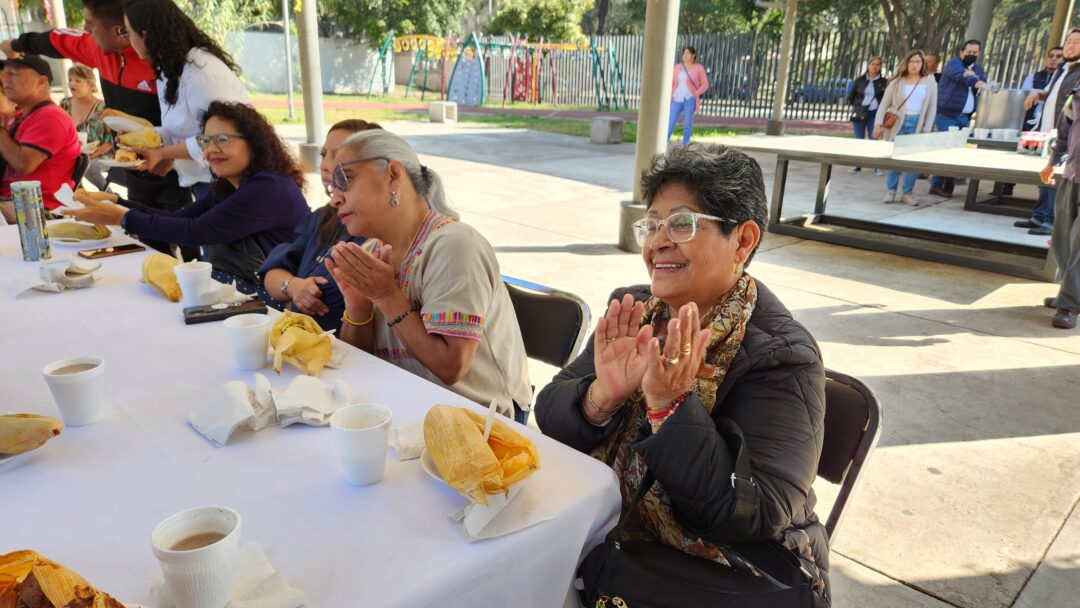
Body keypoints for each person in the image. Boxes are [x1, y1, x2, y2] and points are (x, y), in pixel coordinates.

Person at [535, 143, 829, 605]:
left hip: (723, 572)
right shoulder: (636, 309)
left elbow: (754, 512)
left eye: (682, 224)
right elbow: (550, 414)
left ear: (743, 240)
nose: (657, 242)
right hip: (615, 538)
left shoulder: (782, 355)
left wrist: (671, 409)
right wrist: (601, 398)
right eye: (651, 225)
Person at [325, 129, 532, 423]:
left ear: (394, 175)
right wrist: (358, 307)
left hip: (482, 421)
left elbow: (451, 367)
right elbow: (359, 365)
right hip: (410, 408)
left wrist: (386, 297)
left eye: (345, 180)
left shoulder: (454, 244)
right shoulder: (372, 250)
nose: (335, 199)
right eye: (331, 188)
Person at [60, 101, 309, 290]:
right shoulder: (231, 186)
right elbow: (177, 218)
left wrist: (122, 218)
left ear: (254, 144)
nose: (211, 150)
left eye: (222, 139)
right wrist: (117, 202)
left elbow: (194, 231)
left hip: (272, 303)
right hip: (235, 292)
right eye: (206, 141)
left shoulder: (267, 189)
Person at [0, 0, 190, 213]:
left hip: (182, 168)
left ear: (120, 30)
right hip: (133, 167)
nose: (85, 30)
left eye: (90, 24)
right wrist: (16, 45)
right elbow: (55, 40)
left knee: (191, 232)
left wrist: (170, 155)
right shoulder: (97, 48)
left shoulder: (169, 60)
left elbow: (195, 118)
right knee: (144, 233)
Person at [258, 119, 381, 333]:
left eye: (340, 155)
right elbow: (272, 273)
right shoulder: (325, 216)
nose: (325, 165)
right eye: (324, 154)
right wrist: (293, 286)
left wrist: (291, 302)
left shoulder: (378, 238)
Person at [121, 0, 249, 200]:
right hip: (206, 181)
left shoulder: (201, 73)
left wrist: (164, 154)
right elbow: (179, 128)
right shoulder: (170, 68)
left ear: (144, 35)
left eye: (127, 32)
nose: (127, 40)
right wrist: (140, 140)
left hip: (229, 183)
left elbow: (222, 138)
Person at [0, 55, 80, 221]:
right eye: (3, 74)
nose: (4, 79)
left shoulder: (50, 117)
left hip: (35, 209)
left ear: (41, 81)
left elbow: (24, 164)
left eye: (13, 74)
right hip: (14, 203)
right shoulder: (23, 115)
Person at [1019, 33, 1080, 236]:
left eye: (1076, 43)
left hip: (1066, 134)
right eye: (1068, 42)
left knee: (1056, 175)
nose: (1070, 46)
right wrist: (1037, 94)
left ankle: (1051, 220)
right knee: (1045, 172)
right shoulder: (1062, 68)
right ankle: (1039, 215)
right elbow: (1048, 92)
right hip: (1048, 129)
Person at [1039, 58, 1080, 330]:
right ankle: (1070, 290)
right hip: (1073, 174)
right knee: (1063, 236)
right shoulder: (1078, 90)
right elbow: (1065, 128)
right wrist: (1053, 160)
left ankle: (1070, 304)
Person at [874, 49, 937, 205]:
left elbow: (932, 107)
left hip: (917, 124)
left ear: (923, 64)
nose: (914, 65)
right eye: (911, 61)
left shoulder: (930, 81)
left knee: (912, 161)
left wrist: (927, 128)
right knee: (894, 159)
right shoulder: (897, 82)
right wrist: (877, 124)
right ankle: (891, 191)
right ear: (906, 63)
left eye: (918, 61)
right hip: (898, 123)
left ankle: (907, 193)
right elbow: (883, 105)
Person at [929, 40, 989, 198]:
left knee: (954, 150)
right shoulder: (952, 65)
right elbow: (967, 80)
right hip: (947, 114)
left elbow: (981, 83)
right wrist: (976, 80)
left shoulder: (978, 69)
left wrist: (976, 78)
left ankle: (946, 181)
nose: (972, 55)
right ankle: (937, 184)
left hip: (965, 117)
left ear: (979, 54)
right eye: (969, 52)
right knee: (947, 149)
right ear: (962, 52)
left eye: (975, 53)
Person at [60, 63, 113, 190]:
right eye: (70, 80)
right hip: (73, 153)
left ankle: (111, 195)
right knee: (61, 164)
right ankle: (77, 194)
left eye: (78, 81)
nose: (72, 84)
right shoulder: (65, 104)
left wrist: (96, 152)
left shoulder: (103, 107)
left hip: (100, 154)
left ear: (91, 85)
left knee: (89, 165)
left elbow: (110, 141)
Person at [846, 56, 886, 174]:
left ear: (880, 67)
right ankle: (857, 164)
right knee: (859, 139)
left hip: (875, 113)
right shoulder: (859, 80)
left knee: (874, 138)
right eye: (873, 64)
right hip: (860, 112)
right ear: (868, 65)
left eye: (878, 64)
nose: (875, 66)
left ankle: (876, 165)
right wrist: (858, 107)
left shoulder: (883, 82)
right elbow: (851, 97)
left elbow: (885, 98)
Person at [667, 46, 709, 146]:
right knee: (670, 121)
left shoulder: (699, 68)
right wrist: (670, 94)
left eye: (688, 53)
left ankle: (685, 143)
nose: (685, 55)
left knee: (687, 123)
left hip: (689, 99)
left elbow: (705, 84)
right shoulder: (677, 67)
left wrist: (696, 94)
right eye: (684, 53)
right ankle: (664, 141)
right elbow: (671, 82)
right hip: (676, 98)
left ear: (693, 55)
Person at [1021, 46, 1064, 132]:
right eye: (1051, 56)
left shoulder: (1064, 78)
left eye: (1058, 56)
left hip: (1052, 122)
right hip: (1029, 121)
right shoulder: (1033, 76)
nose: (1053, 59)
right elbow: (1024, 95)